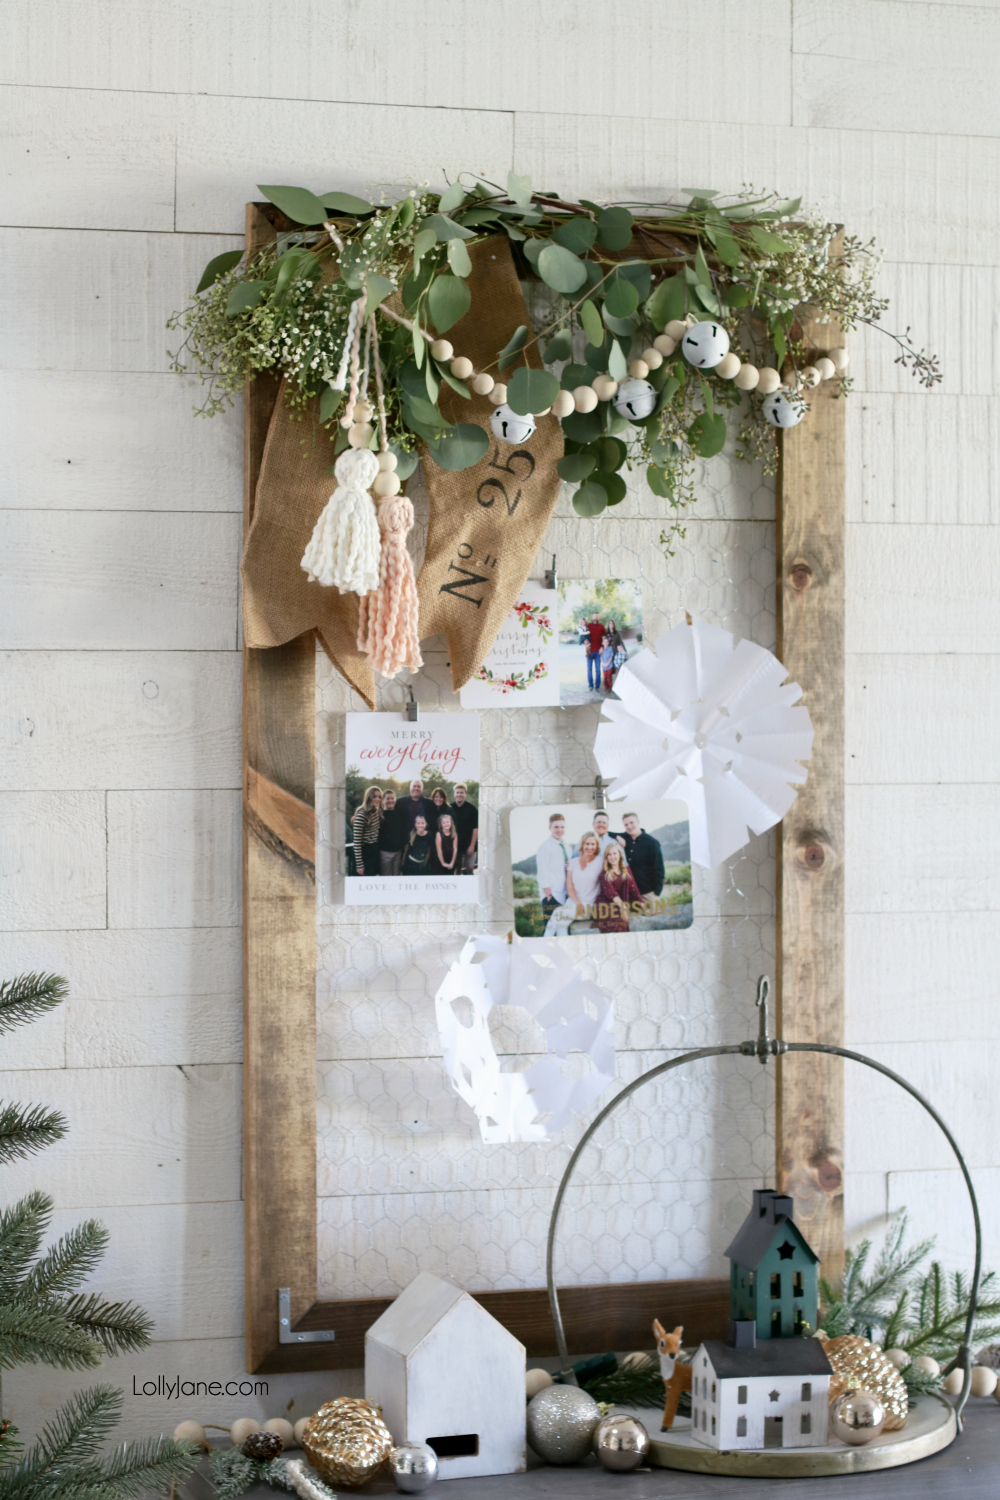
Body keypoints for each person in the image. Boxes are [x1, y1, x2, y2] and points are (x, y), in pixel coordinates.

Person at [596, 842, 643, 933]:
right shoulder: (605, 872)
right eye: (609, 854)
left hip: (621, 903)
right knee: (616, 920)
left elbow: (634, 889)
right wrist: (622, 907)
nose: (612, 857)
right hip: (606, 904)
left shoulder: (626, 869)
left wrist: (643, 905)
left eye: (614, 853)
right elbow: (611, 893)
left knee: (622, 918)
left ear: (620, 855)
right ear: (606, 857)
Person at [615, 812, 665, 897]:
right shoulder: (626, 838)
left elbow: (659, 868)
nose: (629, 826)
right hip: (630, 893)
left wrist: (656, 892)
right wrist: (617, 837)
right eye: (626, 824)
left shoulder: (651, 843)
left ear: (638, 822)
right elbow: (606, 832)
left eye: (631, 823)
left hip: (648, 893)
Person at [536, 812, 570, 920]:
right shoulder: (545, 847)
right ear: (550, 828)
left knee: (563, 926)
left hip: (565, 894)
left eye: (562, 827)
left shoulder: (567, 847)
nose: (559, 830)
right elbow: (542, 871)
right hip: (552, 895)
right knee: (551, 928)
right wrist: (549, 895)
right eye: (556, 827)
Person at [566, 830, 603, 918]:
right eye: (587, 844)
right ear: (582, 845)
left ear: (597, 846)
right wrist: (577, 902)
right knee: (561, 923)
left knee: (558, 915)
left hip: (589, 905)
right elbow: (569, 887)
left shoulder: (601, 862)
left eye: (593, 844)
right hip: (573, 902)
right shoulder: (572, 862)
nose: (590, 847)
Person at [351, 786, 382, 877]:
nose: (377, 799)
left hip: (374, 850)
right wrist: (359, 864)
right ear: (368, 798)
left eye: (379, 797)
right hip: (365, 853)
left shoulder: (375, 812)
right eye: (374, 796)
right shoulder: (361, 815)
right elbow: (356, 842)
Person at [377, 789, 407, 876]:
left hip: (398, 852)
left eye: (392, 798)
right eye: (388, 798)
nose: (390, 800)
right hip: (384, 853)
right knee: (387, 876)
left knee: (397, 875)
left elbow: (402, 832)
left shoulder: (399, 814)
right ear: (383, 800)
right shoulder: (379, 815)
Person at [450, 783, 479, 874]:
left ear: (465, 794)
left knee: (469, 869)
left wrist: (472, 845)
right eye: (457, 792)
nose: (459, 794)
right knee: (457, 869)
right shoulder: (450, 808)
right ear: (454, 794)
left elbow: (475, 828)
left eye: (461, 792)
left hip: (469, 844)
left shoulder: (472, 809)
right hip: (455, 845)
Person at [584, 612, 605, 692]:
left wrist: (602, 647)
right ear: (592, 617)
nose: (595, 618)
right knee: (589, 669)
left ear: (598, 618)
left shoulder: (602, 627)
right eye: (594, 617)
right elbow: (583, 637)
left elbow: (604, 638)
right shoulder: (588, 626)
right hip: (589, 651)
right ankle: (590, 685)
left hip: (598, 652)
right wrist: (585, 644)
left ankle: (597, 686)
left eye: (597, 617)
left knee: (598, 670)